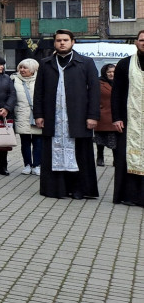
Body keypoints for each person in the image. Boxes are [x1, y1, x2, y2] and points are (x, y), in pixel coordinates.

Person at [35, 30, 99, 200]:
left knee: (80, 153)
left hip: (77, 117)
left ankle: (80, 190)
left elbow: (94, 91)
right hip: (53, 117)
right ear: (54, 43)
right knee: (52, 151)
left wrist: (93, 116)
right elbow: (39, 91)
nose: (62, 43)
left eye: (65, 40)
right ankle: (56, 189)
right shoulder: (46, 63)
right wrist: (38, 114)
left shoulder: (86, 63)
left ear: (73, 42)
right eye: (58, 40)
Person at [111, 30, 144, 206]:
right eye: (142, 40)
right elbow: (116, 93)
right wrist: (116, 117)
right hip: (130, 120)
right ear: (136, 42)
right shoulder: (125, 64)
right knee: (127, 158)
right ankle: (129, 196)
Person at [12, 58, 44, 175]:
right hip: (21, 114)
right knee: (25, 142)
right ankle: (27, 164)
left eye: (25, 67)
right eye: (20, 67)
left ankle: (37, 165)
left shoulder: (41, 80)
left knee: (38, 142)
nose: (22, 69)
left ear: (33, 69)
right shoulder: (13, 79)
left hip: (37, 114)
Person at [95, 63, 118, 168]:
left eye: (113, 72)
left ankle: (116, 160)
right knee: (100, 139)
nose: (111, 74)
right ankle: (100, 157)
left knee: (115, 140)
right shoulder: (99, 83)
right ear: (104, 72)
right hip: (102, 115)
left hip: (115, 115)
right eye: (109, 72)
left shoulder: (120, 82)